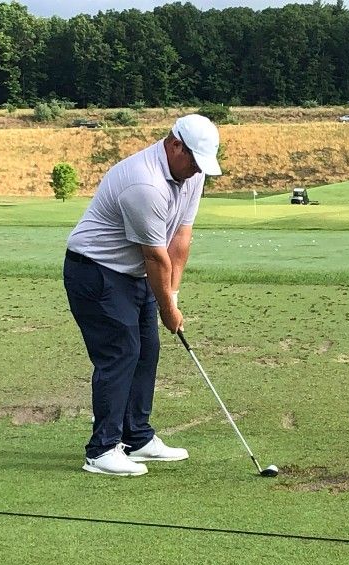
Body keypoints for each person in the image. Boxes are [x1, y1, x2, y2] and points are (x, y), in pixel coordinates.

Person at [63, 114, 221, 476]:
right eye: (194, 161)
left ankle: (138, 438)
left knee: (147, 349)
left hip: (133, 272)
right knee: (121, 351)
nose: (198, 171)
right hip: (95, 270)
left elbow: (180, 239)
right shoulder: (144, 183)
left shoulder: (191, 175)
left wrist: (173, 296)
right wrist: (167, 309)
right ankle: (101, 450)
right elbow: (155, 255)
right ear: (174, 144)